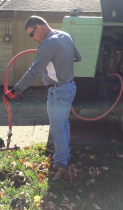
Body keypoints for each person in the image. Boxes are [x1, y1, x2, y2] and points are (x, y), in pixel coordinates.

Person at [3, 16, 82, 171]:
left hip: (58, 91)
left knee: (57, 128)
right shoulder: (66, 35)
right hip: (69, 87)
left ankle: (60, 164)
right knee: (64, 124)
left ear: (39, 27)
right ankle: (65, 155)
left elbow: (33, 72)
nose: (32, 39)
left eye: (31, 34)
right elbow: (77, 58)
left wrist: (14, 91)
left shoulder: (47, 43)